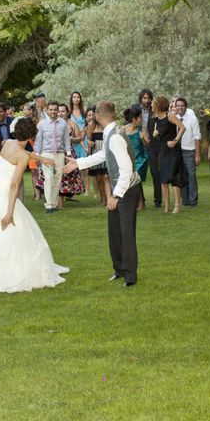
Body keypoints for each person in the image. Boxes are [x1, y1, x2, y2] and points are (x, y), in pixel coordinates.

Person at [0, 118, 68, 293]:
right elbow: (14, 185)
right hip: (5, 197)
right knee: (11, 232)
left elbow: (24, 153)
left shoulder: (8, 143)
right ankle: (6, 272)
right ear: (32, 136)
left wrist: (42, 159)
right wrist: (9, 213)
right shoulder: (23, 155)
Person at [63, 101, 141, 287]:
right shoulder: (111, 133)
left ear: (98, 116)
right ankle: (119, 269)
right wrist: (79, 163)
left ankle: (130, 276)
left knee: (126, 233)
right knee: (115, 232)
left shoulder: (115, 136)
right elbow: (104, 155)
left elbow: (126, 169)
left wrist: (115, 196)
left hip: (126, 190)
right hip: (121, 188)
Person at [34, 100, 71, 213]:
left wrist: (68, 154)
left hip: (59, 154)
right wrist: (37, 156)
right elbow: (38, 141)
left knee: (57, 179)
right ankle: (49, 205)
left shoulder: (63, 123)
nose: (53, 111)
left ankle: (54, 204)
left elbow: (66, 139)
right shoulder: (42, 124)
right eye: (51, 109)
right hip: (46, 154)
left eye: (55, 109)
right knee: (49, 178)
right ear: (47, 110)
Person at [151, 95, 186, 213]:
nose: (151, 105)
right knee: (163, 178)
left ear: (158, 105)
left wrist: (175, 141)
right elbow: (157, 133)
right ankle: (166, 206)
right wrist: (155, 134)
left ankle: (177, 205)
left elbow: (182, 128)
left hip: (172, 151)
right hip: (162, 151)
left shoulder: (169, 115)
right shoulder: (156, 118)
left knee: (174, 176)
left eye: (153, 103)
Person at [174, 97, 202, 207]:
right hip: (177, 151)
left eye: (182, 105)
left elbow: (197, 137)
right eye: (178, 105)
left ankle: (193, 200)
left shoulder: (192, 118)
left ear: (185, 106)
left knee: (191, 176)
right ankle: (185, 200)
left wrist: (198, 155)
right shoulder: (174, 118)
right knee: (181, 176)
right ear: (175, 107)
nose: (180, 107)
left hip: (189, 151)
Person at [56, 103, 84, 206]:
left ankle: (68, 195)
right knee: (58, 175)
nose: (60, 113)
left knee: (68, 175)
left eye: (63, 111)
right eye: (58, 111)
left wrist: (72, 139)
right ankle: (59, 203)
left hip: (69, 152)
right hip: (57, 152)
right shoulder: (54, 123)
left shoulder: (72, 123)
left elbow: (80, 138)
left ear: (67, 112)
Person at [122, 107, 150, 210]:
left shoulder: (142, 128)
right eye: (140, 118)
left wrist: (144, 139)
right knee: (134, 181)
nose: (141, 119)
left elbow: (148, 145)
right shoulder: (123, 129)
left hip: (141, 159)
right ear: (134, 119)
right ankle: (139, 203)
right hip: (129, 159)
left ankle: (140, 204)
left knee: (135, 178)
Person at [86, 106, 111, 206]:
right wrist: (90, 143)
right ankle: (103, 200)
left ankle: (110, 198)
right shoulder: (91, 126)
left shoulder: (107, 125)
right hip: (96, 152)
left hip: (106, 153)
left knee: (107, 177)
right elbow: (89, 139)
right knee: (99, 178)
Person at [69, 91, 90, 195]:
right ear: (71, 99)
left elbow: (86, 126)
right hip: (73, 141)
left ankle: (87, 189)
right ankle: (79, 188)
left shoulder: (83, 111)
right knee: (75, 165)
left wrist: (85, 137)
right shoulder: (69, 112)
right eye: (74, 97)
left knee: (84, 166)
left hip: (83, 140)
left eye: (78, 97)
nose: (76, 99)